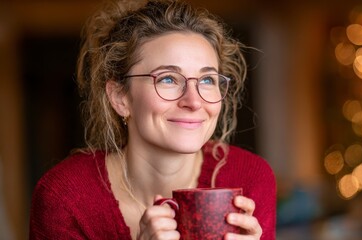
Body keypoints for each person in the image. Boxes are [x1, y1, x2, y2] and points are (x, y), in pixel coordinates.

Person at [29, 0, 276, 239]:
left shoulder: (251, 179)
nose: (194, 101)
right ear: (120, 97)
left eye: (207, 80)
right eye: (168, 79)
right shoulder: (64, 198)